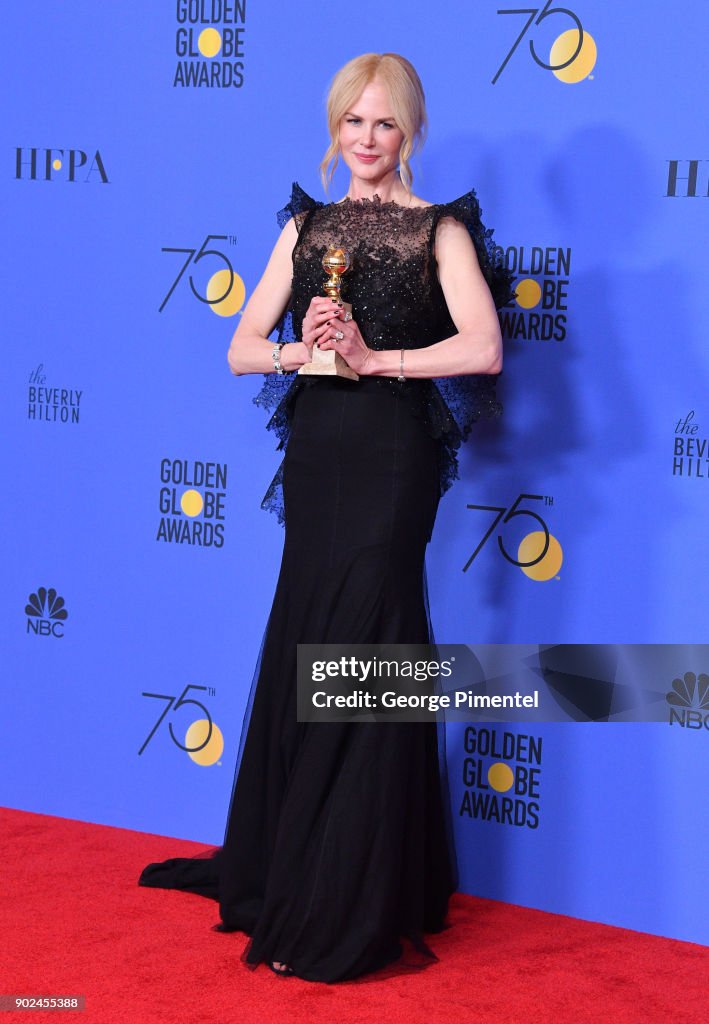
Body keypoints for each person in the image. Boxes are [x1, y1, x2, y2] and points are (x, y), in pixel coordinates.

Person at [139, 52, 512, 983]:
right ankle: (292, 861)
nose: (367, 140)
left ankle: (354, 891)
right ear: (334, 127)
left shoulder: (440, 230)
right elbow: (237, 349)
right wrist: (300, 350)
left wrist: (373, 357)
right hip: (318, 455)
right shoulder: (304, 228)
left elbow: (484, 348)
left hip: (391, 457)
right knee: (309, 633)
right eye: (353, 121)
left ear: (410, 132)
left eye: (385, 124)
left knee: (370, 640)